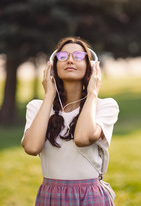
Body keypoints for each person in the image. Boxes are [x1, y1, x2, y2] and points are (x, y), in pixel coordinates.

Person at [21, 36, 119, 206]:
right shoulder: (37, 107)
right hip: (50, 195)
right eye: (63, 57)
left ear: (91, 66)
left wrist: (93, 93)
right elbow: (31, 147)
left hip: (89, 196)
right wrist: (49, 95)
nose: (70, 60)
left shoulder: (105, 106)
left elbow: (82, 138)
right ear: (53, 66)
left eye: (79, 57)